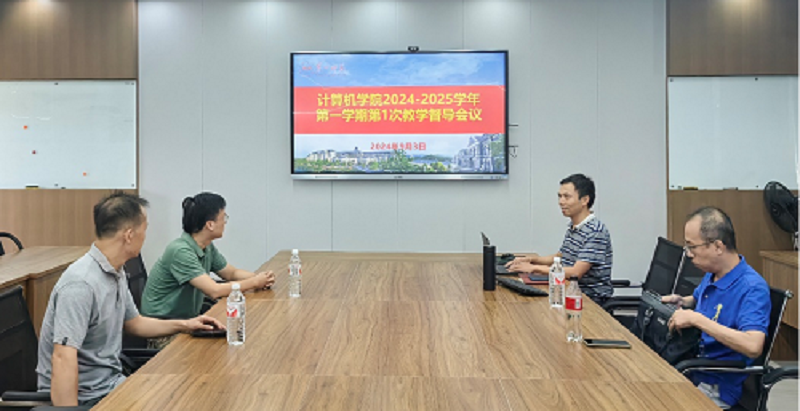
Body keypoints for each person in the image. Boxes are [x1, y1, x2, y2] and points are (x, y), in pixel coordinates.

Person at [36, 192, 224, 407]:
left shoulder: (115, 271)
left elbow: (135, 323)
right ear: (129, 235)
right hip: (88, 398)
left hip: (113, 386)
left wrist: (186, 325)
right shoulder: (81, 284)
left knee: (191, 393)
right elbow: (63, 358)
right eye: (145, 229)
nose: (145, 236)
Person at [662, 207, 770, 409]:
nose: (689, 254)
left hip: (718, 385)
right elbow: (700, 300)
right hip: (693, 369)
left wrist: (697, 320)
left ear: (718, 246)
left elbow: (753, 345)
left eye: (692, 247)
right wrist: (682, 301)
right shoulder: (714, 274)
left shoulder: (752, 288)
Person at [141, 192, 275, 323]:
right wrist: (255, 282)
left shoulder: (206, 246)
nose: (225, 223)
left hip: (186, 320)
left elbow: (231, 273)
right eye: (223, 218)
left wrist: (262, 278)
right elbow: (214, 291)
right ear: (210, 224)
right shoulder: (180, 251)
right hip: (162, 324)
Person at [506, 173, 613, 304]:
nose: (561, 202)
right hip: (567, 291)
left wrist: (534, 268)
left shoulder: (595, 231)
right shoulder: (574, 227)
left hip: (589, 300)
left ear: (585, 200)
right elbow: (560, 257)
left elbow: (575, 273)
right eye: (560, 196)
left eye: (567, 197)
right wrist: (532, 260)